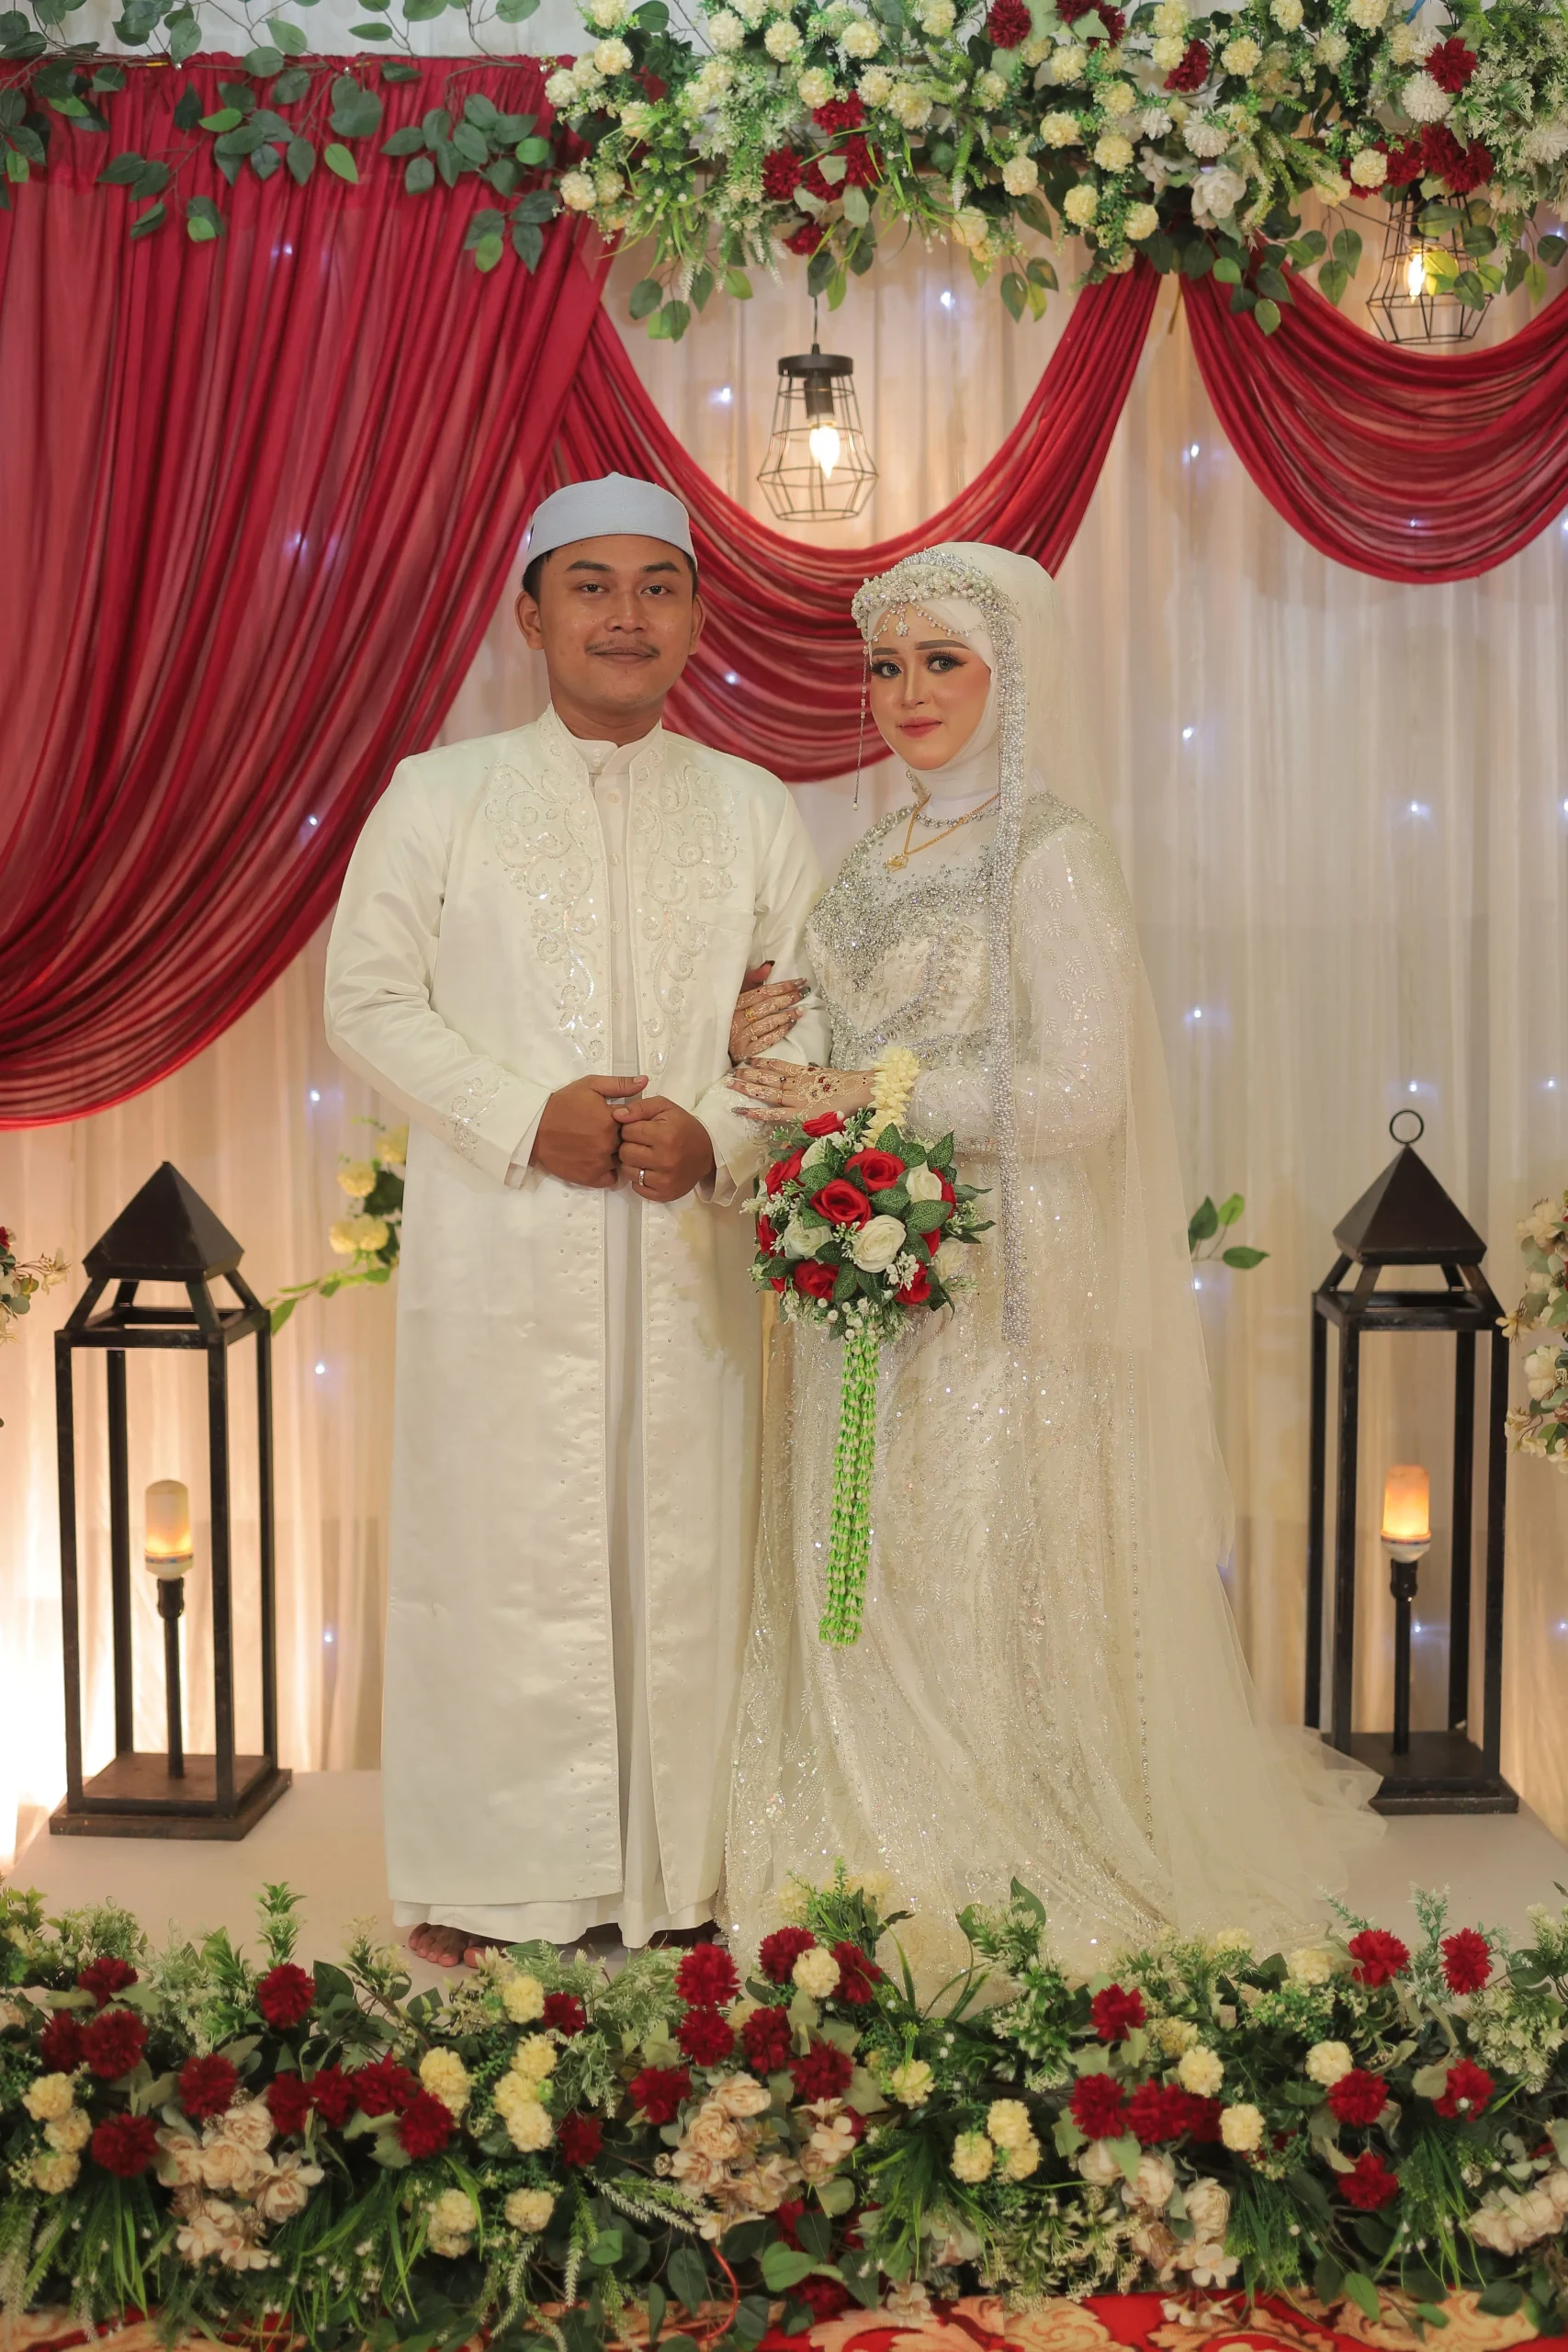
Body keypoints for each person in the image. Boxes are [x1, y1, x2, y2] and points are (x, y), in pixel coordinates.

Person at [721, 540, 1380, 1980]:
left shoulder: (1051, 853)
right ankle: (873, 1832)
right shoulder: (872, 855)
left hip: (1004, 1276)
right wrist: (770, 1043)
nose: (906, 693)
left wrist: (866, 1094)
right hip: (866, 1262)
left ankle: (1002, 1842)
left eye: (940, 662)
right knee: (874, 1544)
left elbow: (1082, 1095)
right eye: (885, 666)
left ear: (1013, 676)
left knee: (986, 1553)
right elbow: (835, 1033)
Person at [324, 473, 828, 1967]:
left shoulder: (750, 807)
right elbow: (366, 999)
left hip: (687, 1255)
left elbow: (808, 1013)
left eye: (657, 587)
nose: (625, 615)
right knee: (503, 1553)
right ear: (528, 617)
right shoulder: (440, 795)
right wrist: (519, 1112)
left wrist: (721, 1132)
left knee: (688, 1553)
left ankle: (685, 1875)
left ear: (696, 619)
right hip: (504, 1251)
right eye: (590, 586)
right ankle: (497, 1884)